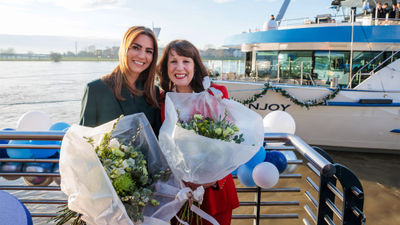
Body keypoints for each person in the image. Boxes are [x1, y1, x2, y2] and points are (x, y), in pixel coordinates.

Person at [157, 40, 239, 225]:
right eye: (173, 61)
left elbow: (231, 142)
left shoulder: (215, 94)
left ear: (195, 64)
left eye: (186, 61)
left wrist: (213, 179)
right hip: (178, 196)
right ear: (165, 67)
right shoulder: (162, 101)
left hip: (215, 194)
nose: (180, 67)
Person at [80, 26, 162, 135]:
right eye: (136, 47)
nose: (142, 56)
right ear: (124, 49)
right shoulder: (95, 90)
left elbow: (156, 138)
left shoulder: (153, 92)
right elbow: (83, 140)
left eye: (148, 51)